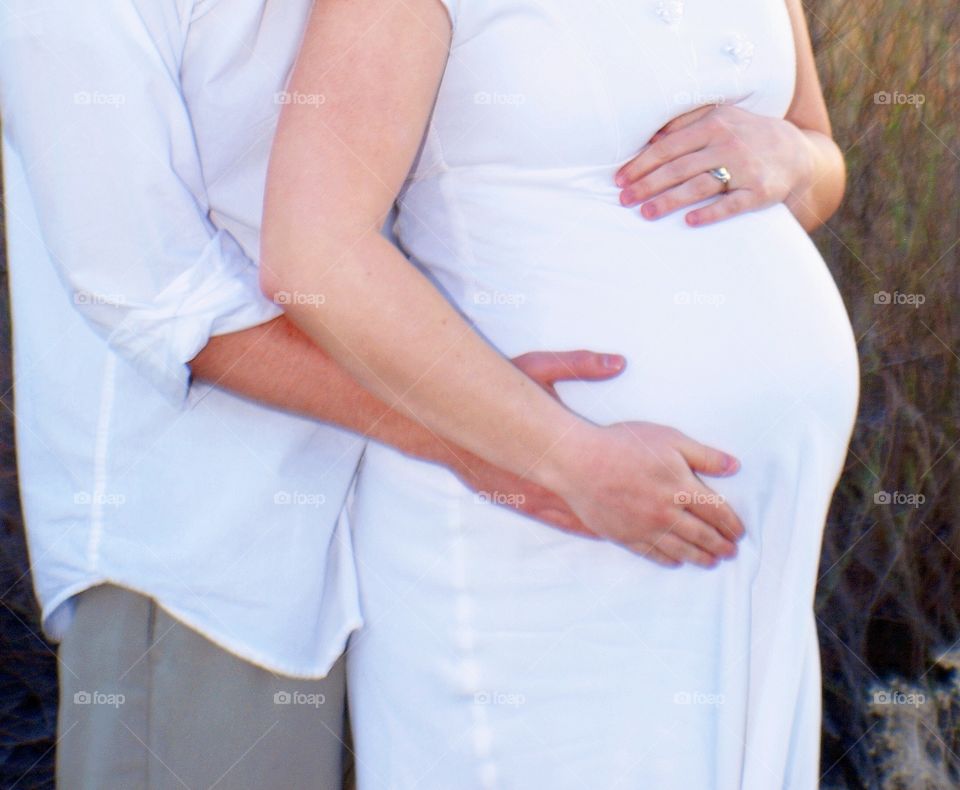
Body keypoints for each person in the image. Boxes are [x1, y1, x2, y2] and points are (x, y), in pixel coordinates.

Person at [0, 1, 727, 787]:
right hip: (207, 557)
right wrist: (488, 443)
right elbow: (153, 298)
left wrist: (788, 146)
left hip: (406, 544)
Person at [262, 0, 860, 787]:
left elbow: (817, 168)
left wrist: (792, 156)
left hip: (752, 557)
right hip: (541, 527)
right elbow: (313, 253)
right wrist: (566, 456)